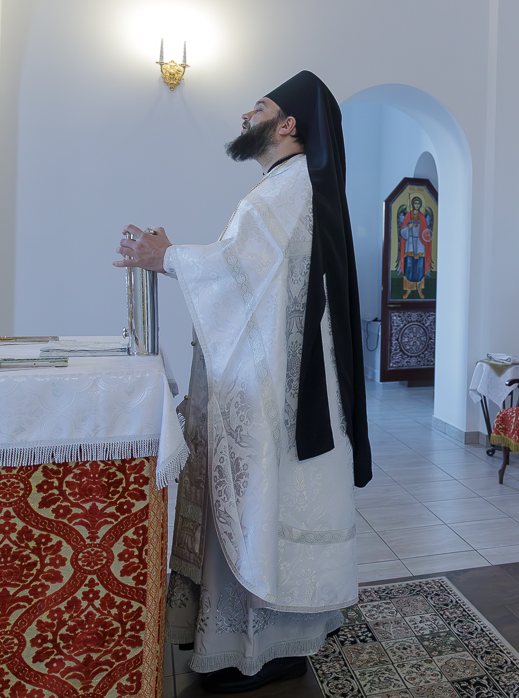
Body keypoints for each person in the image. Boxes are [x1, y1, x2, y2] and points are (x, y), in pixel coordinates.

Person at [114, 71, 372, 694]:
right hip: (287, 382)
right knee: (268, 504)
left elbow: (236, 269)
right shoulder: (293, 185)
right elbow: (254, 278)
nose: (244, 117)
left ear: (288, 124)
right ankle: (265, 641)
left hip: (278, 393)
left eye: (258, 108)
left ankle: (257, 648)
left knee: (261, 503)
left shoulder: (286, 189)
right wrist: (175, 258)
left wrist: (166, 256)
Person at [397, 196, 433, 299]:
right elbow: (402, 231)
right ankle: (408, 289)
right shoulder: (408, 215)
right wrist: (408, 228)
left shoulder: (422, 217)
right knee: (409, 266)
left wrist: (425, 234)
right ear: (413, 204)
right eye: (415, 203)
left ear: (420, 205)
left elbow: (426, 231)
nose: (417, 205)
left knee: (420, 267)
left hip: (420, 244)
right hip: (410, 245)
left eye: (418, 204)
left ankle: (419, 289)